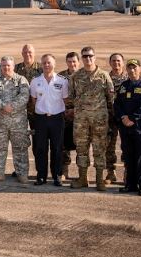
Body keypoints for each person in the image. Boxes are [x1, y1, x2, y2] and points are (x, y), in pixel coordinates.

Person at [69, 46, 114, 191]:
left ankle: (99, 180)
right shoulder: (76, 76)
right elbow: (71, 97)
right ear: (81, 58)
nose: (88, 59)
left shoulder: (104, 76)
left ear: (95, 57)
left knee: (99, 149)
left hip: (99, 121)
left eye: (90, 56)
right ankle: (83, 178)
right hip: (81, 121)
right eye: (85, 56)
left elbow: (110, 98)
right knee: (81, 149)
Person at [0, 56, 30, 183]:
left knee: (20, 148)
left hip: (18, 123)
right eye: (4, 66)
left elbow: (24, 96)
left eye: (8, 65)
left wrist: (12, 106)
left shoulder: (21, 80)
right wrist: (2, 105)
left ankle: (22, 174)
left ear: (13, 66)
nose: (6, 68)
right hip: (0, 123)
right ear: (1, 66)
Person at [113, 59, 141, 196]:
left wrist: (131, 118)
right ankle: (130, 184)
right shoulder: (124, 86)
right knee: (129, 156)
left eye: (134, 68)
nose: (132, 70)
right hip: (126, 128)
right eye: (129, 68)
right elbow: (117, 104)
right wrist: (123, 117)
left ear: (139, 69)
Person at [29, 54, 69, 186]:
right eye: (44, 63)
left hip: (57, 118)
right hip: (41, 119)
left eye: (49, 63)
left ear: (54, 64)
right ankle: (41, 176)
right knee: (40, 148)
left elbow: (65, 100)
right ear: (41, 64)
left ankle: (57, 175)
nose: (46, 65)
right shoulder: (35, 81)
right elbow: (34, 100)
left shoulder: (62, 81)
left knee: (57, 148)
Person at [58, 52, 80, 180]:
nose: (72, 64)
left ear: (78, 62)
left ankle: (81, 173)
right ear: (66, 62)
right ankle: (64, 171)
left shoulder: (84, 75)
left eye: (74, 61)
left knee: (81, 146)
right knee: (64, 145)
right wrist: (66, 111)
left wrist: (76, 110)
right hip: (65, 115)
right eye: (69, 61)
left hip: (80, 116)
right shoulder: (61, 77)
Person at [106, 53, 128, 184]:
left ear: (123, 62)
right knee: (109, 146)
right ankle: (111, 172)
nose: (116, 63)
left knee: (127, 145)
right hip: (110, 117)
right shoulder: (105, 78)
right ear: (110, 63)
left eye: (119, 61)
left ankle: (127, 172)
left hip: (125, 118)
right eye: (113, 61)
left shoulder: (129, 78)